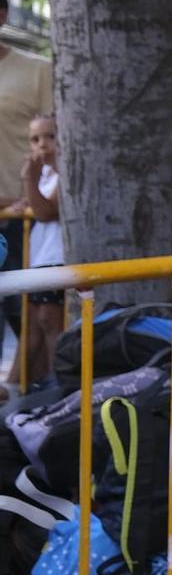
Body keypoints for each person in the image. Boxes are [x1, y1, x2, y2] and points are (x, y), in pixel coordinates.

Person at [0, 0, 53, 308]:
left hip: (25, 218)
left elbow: (56, 145)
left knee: (30, 322)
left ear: (3, 16)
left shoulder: (38, 71)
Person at [10, 113, 61, 384]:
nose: (43, 144)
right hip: (40, 259)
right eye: (36, 139)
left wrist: (28, 180)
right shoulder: (44, 176)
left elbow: (45, 211)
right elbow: (34, 203)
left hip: (57, 260)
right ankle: (17, 387)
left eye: (50, 136)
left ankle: (60, 384)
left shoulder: (65, 176)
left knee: (52, 325)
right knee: (34, 325)